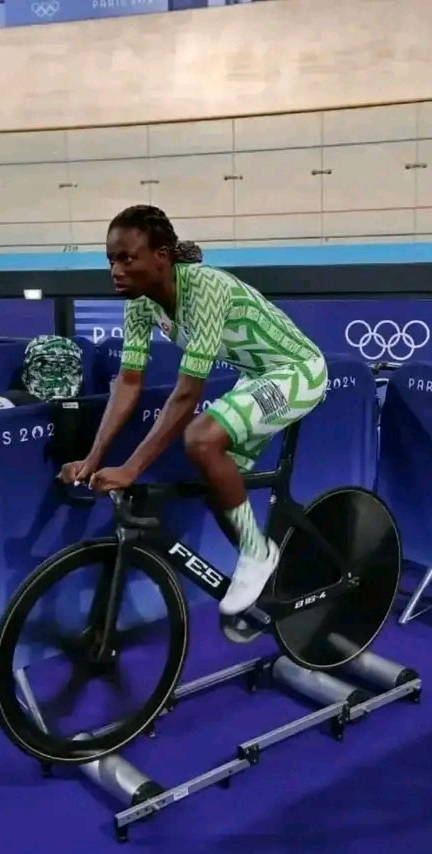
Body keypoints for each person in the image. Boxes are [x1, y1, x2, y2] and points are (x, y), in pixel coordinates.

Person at [60, 205, 328, 617]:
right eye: (111, 260)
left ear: (161, 257)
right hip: (255, 376)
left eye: (127, 258)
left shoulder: (203, 288)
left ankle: (256, 555)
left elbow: (187, 395)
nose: (116, 270)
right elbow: (129, 383)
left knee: (202, 439)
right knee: (218, 481)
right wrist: (93, 458)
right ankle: (262, 569)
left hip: (300, 372)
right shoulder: (140, 304)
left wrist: (130, 468)